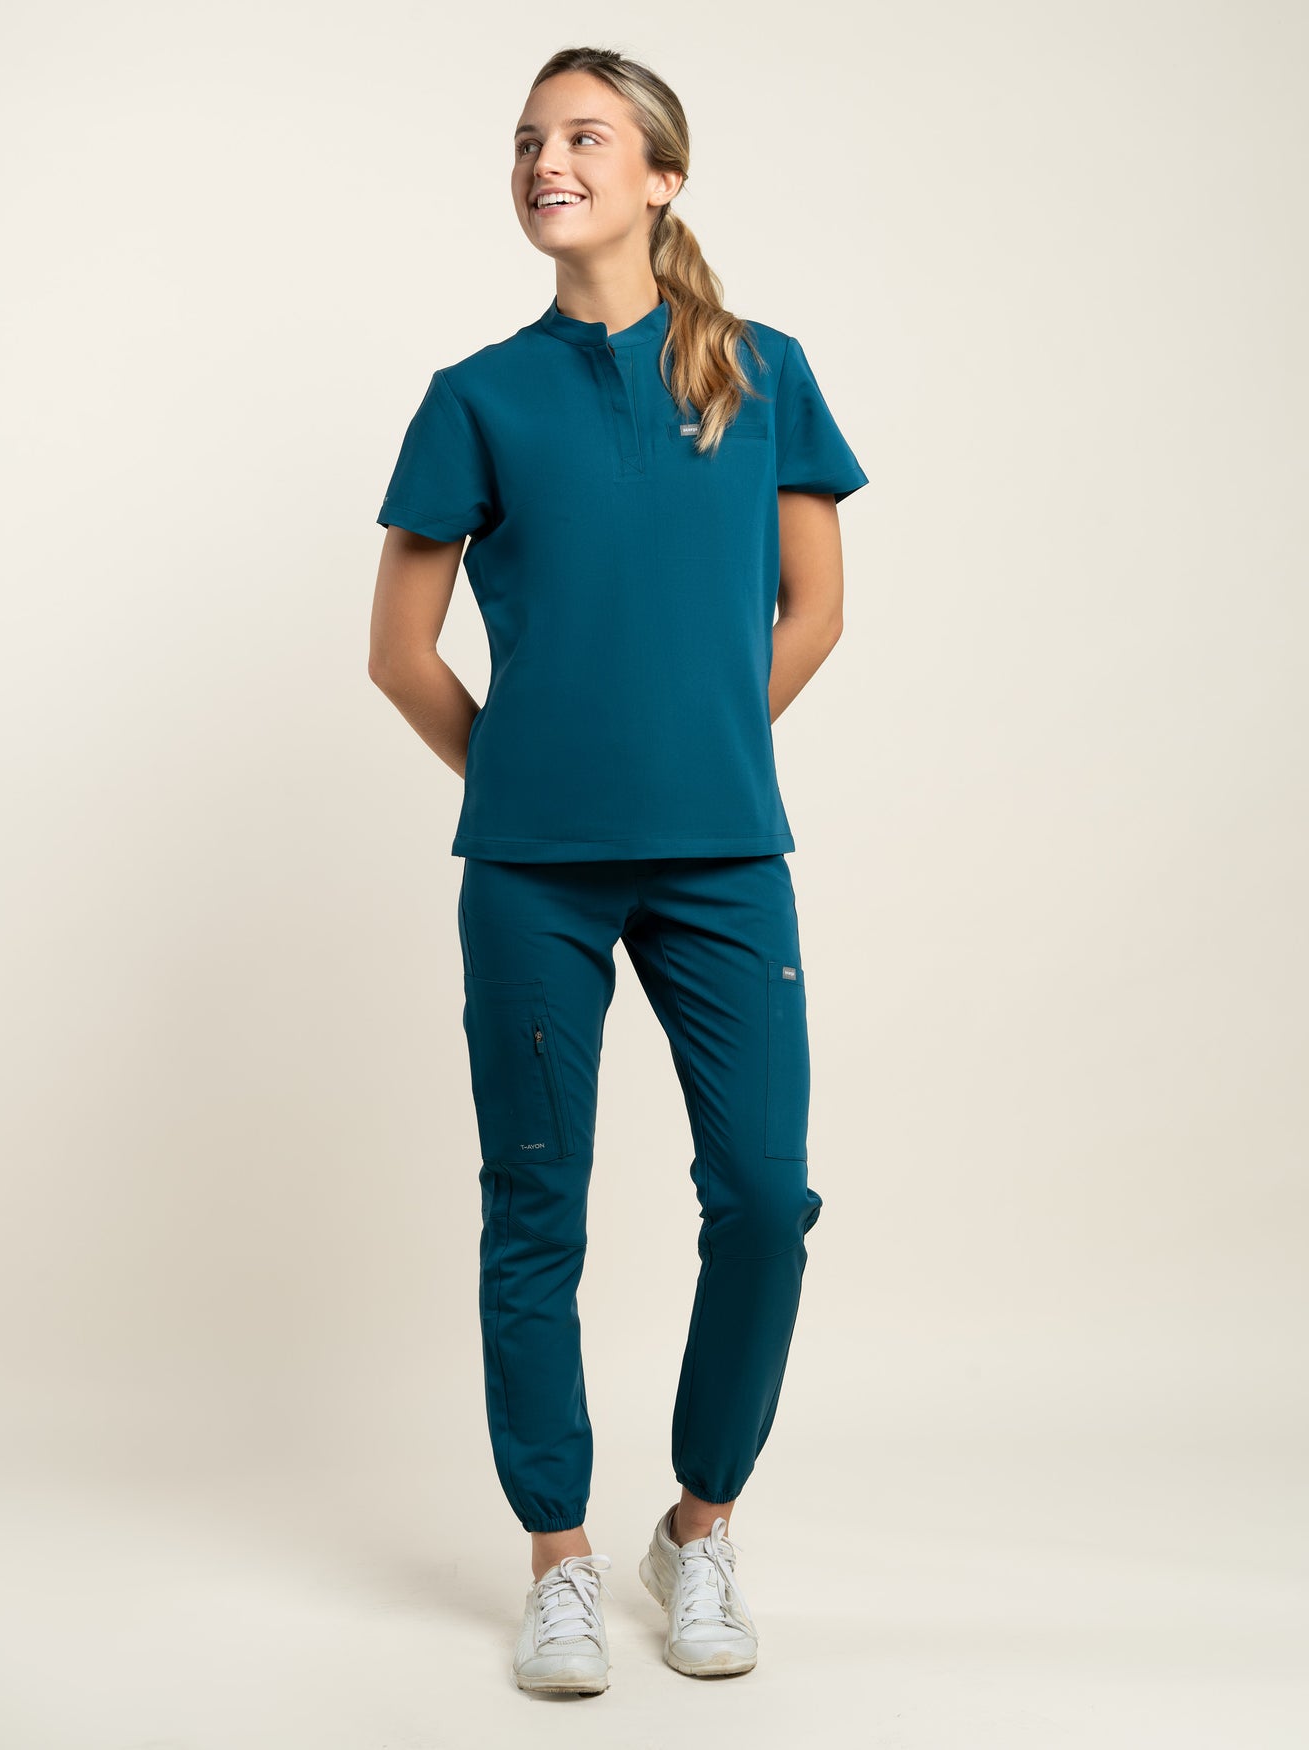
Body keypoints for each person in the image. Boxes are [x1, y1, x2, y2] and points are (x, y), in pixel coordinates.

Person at [368, 45, 868, 1696]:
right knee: (537, 1205)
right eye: (529, 139)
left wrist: (696, 748)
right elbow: (399, 651)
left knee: (767, 1200)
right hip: (532, 873)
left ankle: (698, 1525)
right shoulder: (476, 396)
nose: (546, 161)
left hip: (726, 858)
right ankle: (558, 1559)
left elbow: (815, 609)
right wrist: (534, 782)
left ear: (662, 176)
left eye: (583, 136)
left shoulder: (766, 373)